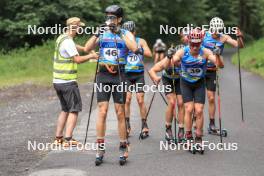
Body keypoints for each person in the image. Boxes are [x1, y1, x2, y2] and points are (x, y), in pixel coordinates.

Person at [84, 5, 139, 166]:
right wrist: (96, 33)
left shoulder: (125, 33)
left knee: (120, 112)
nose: (109, 20)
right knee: (102, 111)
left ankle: (123, 145)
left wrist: (119, 32)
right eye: (107, 16)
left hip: (120, 75)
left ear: (119, 19)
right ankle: (100, 148)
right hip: (103, 75)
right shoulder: (102, 32)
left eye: (112, 17)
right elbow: (87, 48)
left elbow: (135, 48)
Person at [162, 28, 224, 151]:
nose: (195, 47)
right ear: (189, 42)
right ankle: (188, 135)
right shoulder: (182, 52)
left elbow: (220, 65)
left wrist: (218, 55)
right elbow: (166, 66)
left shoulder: (205, 52)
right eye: (193, 44)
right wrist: (169, 57)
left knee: (199, 110)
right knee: (189, 109)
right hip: (185, 83)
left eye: (197, 44)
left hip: (199, 83)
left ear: (201, 42)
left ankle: (199, 138)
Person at [53, 17, 99, 147]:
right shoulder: (68, 42)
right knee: (74, 110)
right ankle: (68, 139)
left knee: (65, 109)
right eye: (80, 27)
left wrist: (88, 50)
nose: (81, 29)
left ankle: (58, 138)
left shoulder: (62, 38)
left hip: (58, 81)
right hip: (67, 81)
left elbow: (83, 48)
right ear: (74, 27)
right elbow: (77, 60)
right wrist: (92, 56)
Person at [202, 17, 244, 133]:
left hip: (212, 71)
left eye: (218, 30)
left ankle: (211, 125)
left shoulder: (224, 37)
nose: (216, 32)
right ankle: (195, 123)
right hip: (200, 70)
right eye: (214, 30)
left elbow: (239, 46)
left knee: (211, 98)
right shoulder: (204, 35)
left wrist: (240, 36)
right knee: (197, 98)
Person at [121, 21, 152, 139]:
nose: (130, 34)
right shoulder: (123, 41)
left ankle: (144, 124)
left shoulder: (141, 41)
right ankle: (127, 125)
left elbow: (150, 53)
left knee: (140, 100)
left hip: (138, 74)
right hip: (126, 74)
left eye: (131, 32)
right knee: (127, 99)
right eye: (127, 32)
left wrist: (139, 49)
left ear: (135, 31)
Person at [149, 44, 185, 143]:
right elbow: (152, 70)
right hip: (168, 80)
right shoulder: (167, 61)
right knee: (172, 102)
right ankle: (168, 128)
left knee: (181, 103)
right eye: (178, 59)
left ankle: (181, 129)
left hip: (180, 80)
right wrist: (155, 78)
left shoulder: (186, 61)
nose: (180, 61)